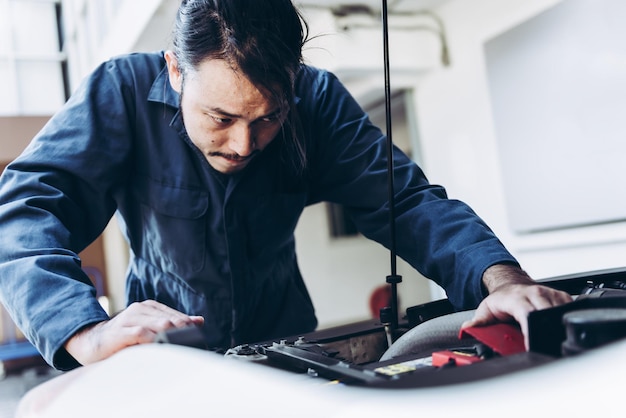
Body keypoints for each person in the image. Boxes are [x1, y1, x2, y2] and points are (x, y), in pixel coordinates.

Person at [0, 0, 571, 371]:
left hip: (289, 349)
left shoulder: (316, 101)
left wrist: (502, 281)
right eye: (220, 118)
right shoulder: (120, 93)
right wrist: (84, 331)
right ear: (175, 72)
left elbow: (407, 202)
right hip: (165, 356)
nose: (245, 145)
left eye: (268, 117)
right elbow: (24, 212)